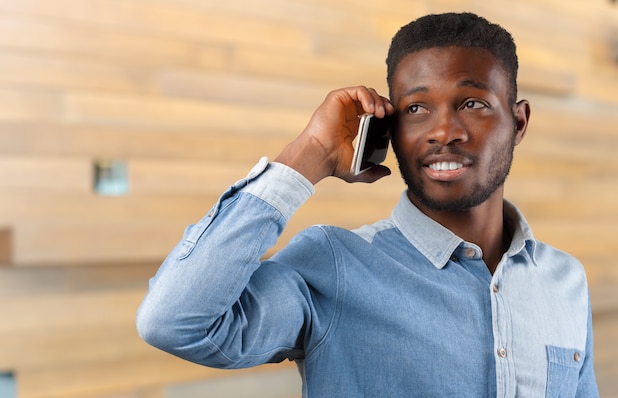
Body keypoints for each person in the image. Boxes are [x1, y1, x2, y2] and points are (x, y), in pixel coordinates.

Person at [136, 12, 599, 397]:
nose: (443, 131)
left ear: (518, 122)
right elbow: (174, 323)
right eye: (417, 109)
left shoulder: (565, 280)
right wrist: (308, 155)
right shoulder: (335, 265)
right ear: (390, 129)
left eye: (473, 103)